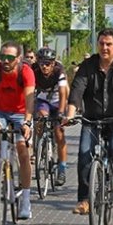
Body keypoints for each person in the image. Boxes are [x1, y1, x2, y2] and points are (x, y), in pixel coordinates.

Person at [65, 29, 113, 214]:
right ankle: (84, 200)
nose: (104, 47)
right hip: (92, 119)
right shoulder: (88, 65)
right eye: (101, 44)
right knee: (84, 154)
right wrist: (70, 113)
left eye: (109, 44)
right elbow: (76, 90)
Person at [0, 41, 36, 220]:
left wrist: (27, 122)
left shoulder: (26, 72)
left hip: (21, 113)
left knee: (23, 150)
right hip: (0, 111)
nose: (5, 60)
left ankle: (26, 200)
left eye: (10, 58)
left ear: (18, 58)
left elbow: (30, 99)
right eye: (2, 56)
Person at [31, 47, 70, 186]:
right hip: (43, 100)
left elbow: (63, 92)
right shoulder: (33, 70)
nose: (44, 67)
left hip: (57, 101)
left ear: (53, 63)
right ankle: (39, 145)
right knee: (40, 118)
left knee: (59, 134)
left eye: (48, 64)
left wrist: (60, 113)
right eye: (42, 63)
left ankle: (62, 168)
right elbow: (29, 89)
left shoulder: (59, 71)